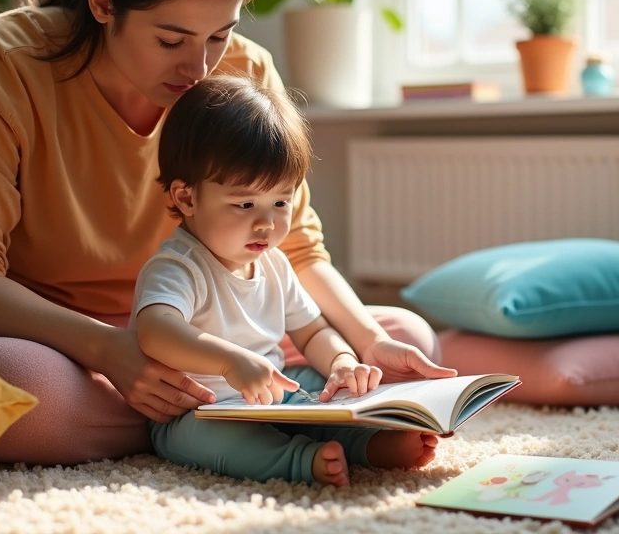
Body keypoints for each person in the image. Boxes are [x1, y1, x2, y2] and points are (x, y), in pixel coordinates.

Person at [0, 0, 455, 466]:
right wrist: (109, 349)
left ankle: (211, 416)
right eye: (171, 40)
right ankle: (234, 416)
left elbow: (296, 246)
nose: (199, 67)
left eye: (219, 35)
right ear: (103, 3)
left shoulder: (245, 71)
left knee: (405, 335)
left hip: (191, 329)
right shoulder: (0, 62)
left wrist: (366, 344)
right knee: (30, 392)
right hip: (32, 330)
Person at [134, 76, 440, 486]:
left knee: (330, 393)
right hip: (199, 409)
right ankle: (300, 461)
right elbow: (155, 331)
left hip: (273, 398)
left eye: (281, 202)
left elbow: (312, 330)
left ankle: (371, 445)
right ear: (187, 198)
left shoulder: (274, 264)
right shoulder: (179, 266)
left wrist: (342, 362)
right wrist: (229, 362)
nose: (268, 223)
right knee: (216, 439)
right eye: (245, 204)